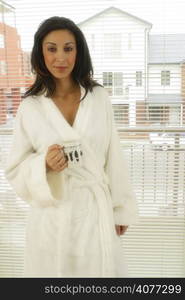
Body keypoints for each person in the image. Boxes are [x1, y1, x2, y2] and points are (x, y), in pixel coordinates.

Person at [5, 16, 138, 277]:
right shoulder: (30, 107)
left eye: (68, 48)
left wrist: (120, 209)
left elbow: (114, 156)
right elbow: (14, 168)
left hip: (94, 211)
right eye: (51, 48)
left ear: (79, 51)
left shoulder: (99, 97)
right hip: (52, 216)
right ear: (40, 53)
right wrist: (43, 163)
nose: (60, 58)